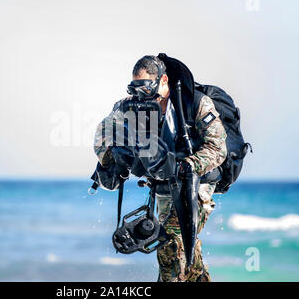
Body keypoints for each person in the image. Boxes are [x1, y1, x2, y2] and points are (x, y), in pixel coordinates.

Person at [93, 55, 227, 282]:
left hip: (196, 183)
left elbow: (218, 148)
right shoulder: (132, 106)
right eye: (135, 89)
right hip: (163, 187)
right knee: (186, 255)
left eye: (146, 88)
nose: (140, 95)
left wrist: (188, 165)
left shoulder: (194, 103)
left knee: (170, 247)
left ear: (163, 80)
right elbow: (102, 135)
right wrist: (114, 154)